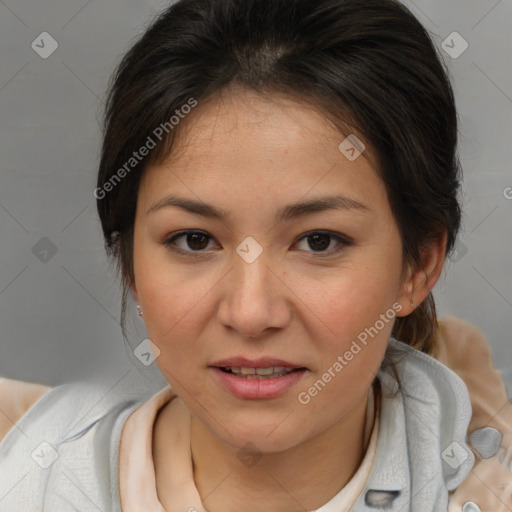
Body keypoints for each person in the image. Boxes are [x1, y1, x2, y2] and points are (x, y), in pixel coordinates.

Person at [1, 0, 511, 510]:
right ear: (131, 261)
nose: (250, 313)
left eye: (318, 241)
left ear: (418, 265)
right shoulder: (31, 484)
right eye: (194, 240)